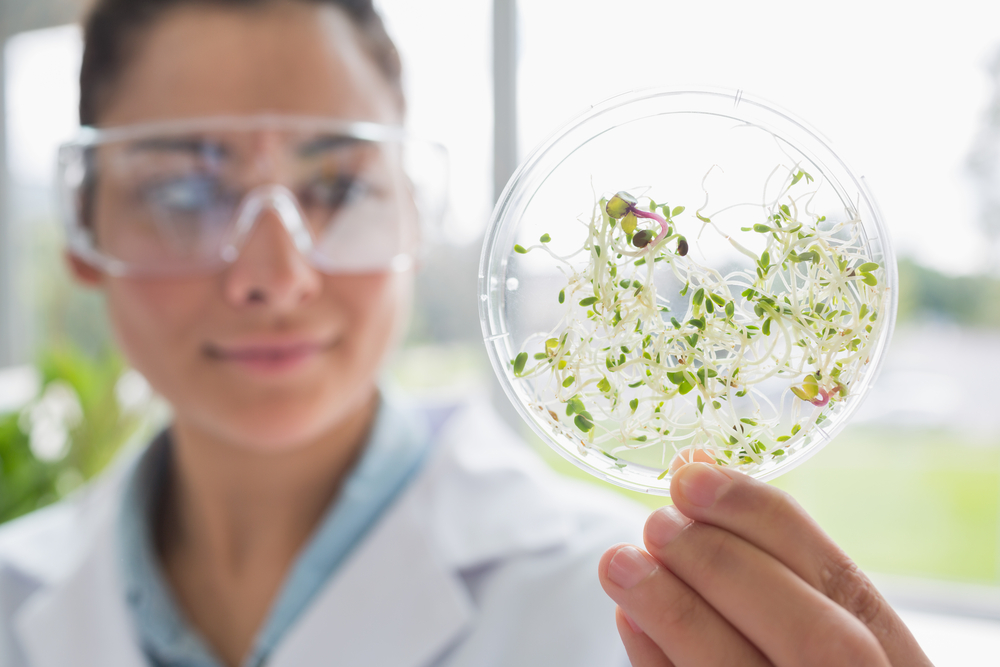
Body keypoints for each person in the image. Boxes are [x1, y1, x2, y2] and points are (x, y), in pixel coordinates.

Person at [0, 1, 932, 666]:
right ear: (84, 231)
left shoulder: (635, 612)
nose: (273, 277)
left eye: (339, 186)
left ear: (408, 210)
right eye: (183, 192)